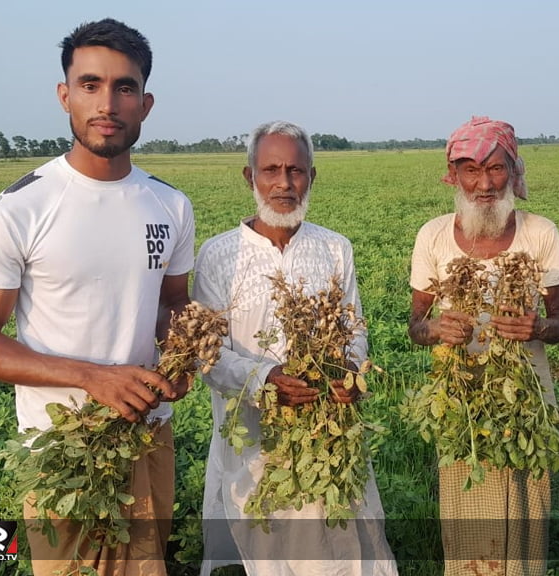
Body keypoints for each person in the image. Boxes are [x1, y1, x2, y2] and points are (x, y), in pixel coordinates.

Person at [0, 18, 195, 576]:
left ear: (146, 104)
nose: (107, 103)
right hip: (63, 447)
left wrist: (181, 356)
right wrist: (92, 378)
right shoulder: (19, 209)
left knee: (149, 565)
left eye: (124, 87)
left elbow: (172, 304)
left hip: (148, 433)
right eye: (90, 85)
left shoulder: (170, 205)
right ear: (65, 96)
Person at [192, 120, 398, 576]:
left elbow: (354, 329)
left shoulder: (335, 248)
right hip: (251, 437)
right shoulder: (219, 254)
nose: (284, 183)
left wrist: (350, 372)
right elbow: (207, 355)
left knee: (337, 538)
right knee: (265, 541)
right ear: (249, 177)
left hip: (327, 434)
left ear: (311, 177)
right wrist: (264, 379)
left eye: (296, 170)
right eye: (271, 170)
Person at [407, 116, 559, 576]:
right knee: (467, 511)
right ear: (454, 176)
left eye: (496, 169)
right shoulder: (433, 236)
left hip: (526, 403)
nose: (485, 184)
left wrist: (537, 328)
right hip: (460, 401)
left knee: (524, 512)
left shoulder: (540, 233)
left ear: (513, 170)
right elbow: (415, 325)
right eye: (471, 171)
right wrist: (438, 330)